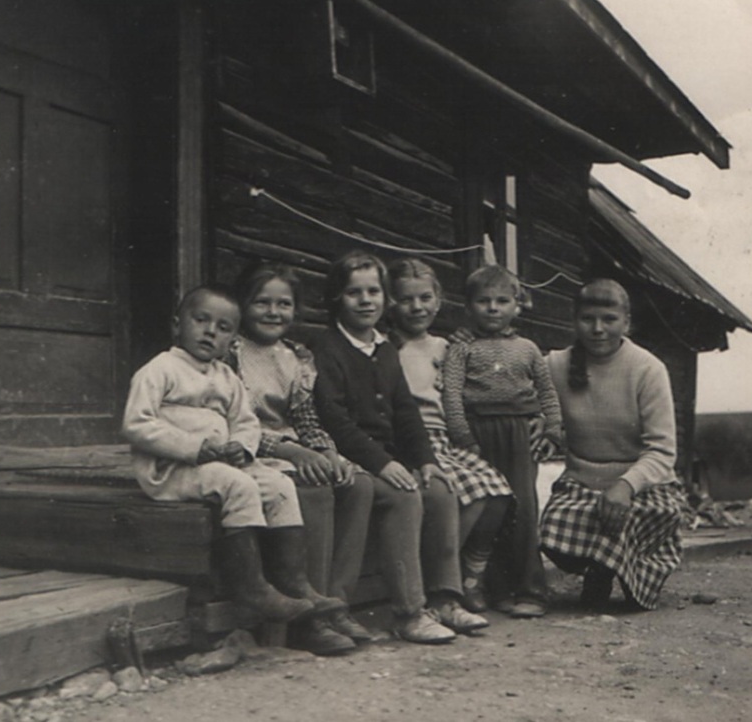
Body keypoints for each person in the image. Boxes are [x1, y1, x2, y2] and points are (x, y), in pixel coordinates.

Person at [122, 285, 344, 631]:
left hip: (218, 464)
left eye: (224, 328)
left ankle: (295, 582)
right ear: (176, 324)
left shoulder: (227, 378)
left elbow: (246, 423)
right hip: (172, 469)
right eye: (201, 320)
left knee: (279, 485)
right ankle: (252, 587)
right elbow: (136, 424)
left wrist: (241, 446)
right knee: (238, 486)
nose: (211, 331)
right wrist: (193, 448)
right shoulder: (160, 369)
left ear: (232, 340)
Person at [313, 250, 488, 643]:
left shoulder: (384, 347)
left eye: (374, 291)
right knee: (404, 494)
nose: (365, 300)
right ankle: (408, 613)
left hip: (386, 456)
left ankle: (444, 597)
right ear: (336, 298)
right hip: (350, 458)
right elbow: (335, 420)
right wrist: (382, 463)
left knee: (440, 489)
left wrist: (425, 460)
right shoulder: (328, 349)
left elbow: (406, 412)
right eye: (354, 292)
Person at [230, 261, 372, 655]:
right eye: (262, 302)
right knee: (314, 487)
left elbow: (306, 418)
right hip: (253, 449)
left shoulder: (296, 356)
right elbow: (232, 423)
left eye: (284, 304)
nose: (274, 312)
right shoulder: (232, 353)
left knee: (356, 483)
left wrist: (326, 450)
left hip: (296, 447)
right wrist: (288, 450)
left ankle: (336, 602)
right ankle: (308, 618)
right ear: (243, 304)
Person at [539, 279, 686, 611]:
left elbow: (662, 449)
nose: (597, 329)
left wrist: (626, 486)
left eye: (609, 320)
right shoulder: (554, 365)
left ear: (626, 322)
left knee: (639, 522)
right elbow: (521, 384)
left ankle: (618, 570)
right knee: (552, 528)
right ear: (574, 321)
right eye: (587, 319)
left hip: (642, 484)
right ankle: (601, 568)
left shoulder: (648, 369)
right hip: (583, 480)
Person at [386, 257, 514, 613]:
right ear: (390, 302)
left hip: (446, 438)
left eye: (425, 298)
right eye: (406, 299)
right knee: (470, 495)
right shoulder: (386, 348)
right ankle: (443, 577)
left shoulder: (446, 347)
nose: (417, 307)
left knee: (498, 490)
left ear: (438, 301)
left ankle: (472, 567)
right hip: (411, 441)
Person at [443, 264, 562, 618]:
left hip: (518, 434)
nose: (493, 308)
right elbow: (452, 395)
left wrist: (553, 428)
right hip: (479, 435)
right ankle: (496, 590)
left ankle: (531, 590)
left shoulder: (527, 348)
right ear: (469, 307)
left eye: (501, 301)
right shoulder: (461, 349)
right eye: (483, 301)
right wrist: (464, 437)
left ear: (517, 305)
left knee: (523, 510)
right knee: (491, 512)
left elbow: (547, 392)